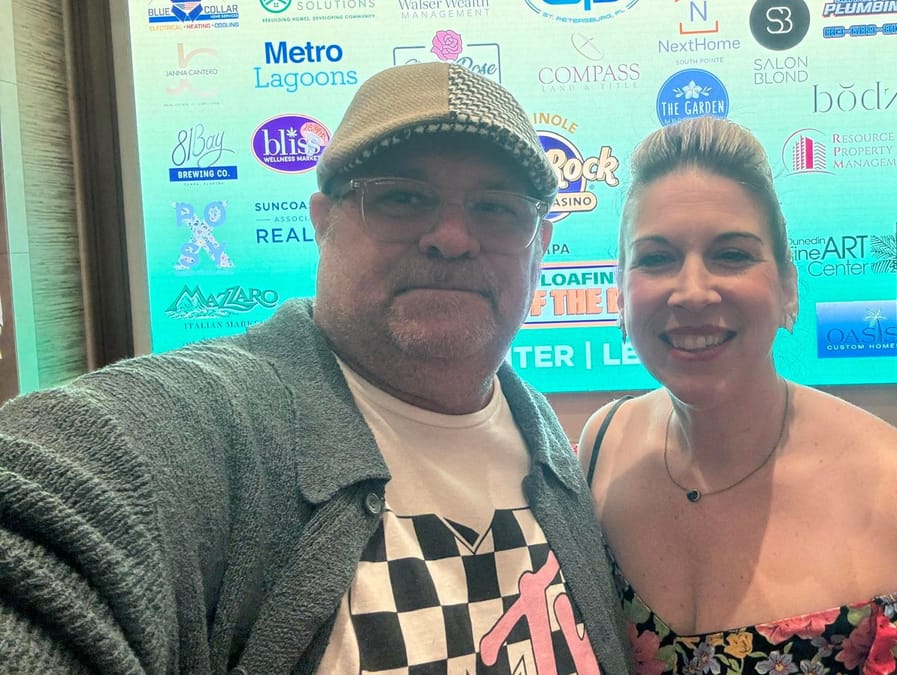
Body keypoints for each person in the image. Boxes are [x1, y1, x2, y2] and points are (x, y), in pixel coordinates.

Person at [0, 62, 630, 674]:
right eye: (402, 198)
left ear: (540, 247)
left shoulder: (544, 440)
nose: (452, 236)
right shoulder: (202, 428)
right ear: (323, 224)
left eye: (496, 208)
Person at [579, 117, 897, 674]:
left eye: (731, 255)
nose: (692, 292)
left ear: (788, 289)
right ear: (621, 293)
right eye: (655, 258)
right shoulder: (604, 445)